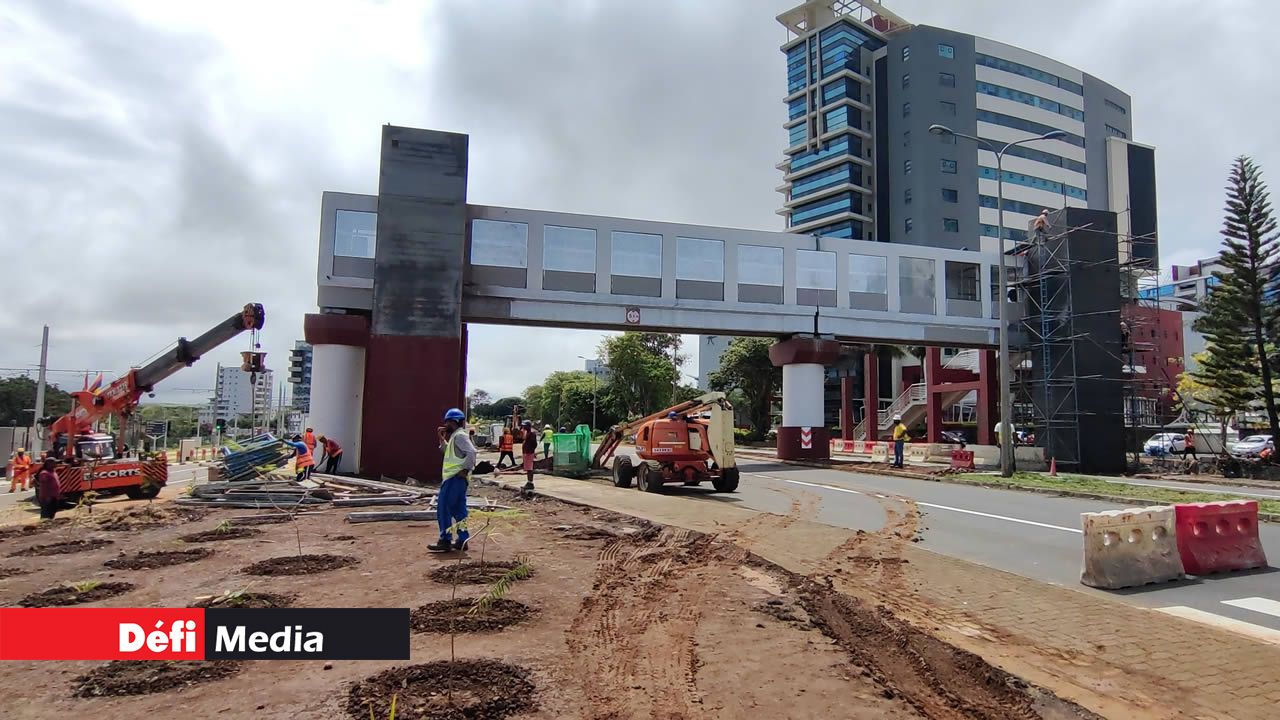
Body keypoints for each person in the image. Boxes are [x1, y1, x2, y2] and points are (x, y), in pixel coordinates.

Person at [430, 408, 476, 553]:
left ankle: (445, 540)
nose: (445, 424)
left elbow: (472, 452)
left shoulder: (459, 436)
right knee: (459, 510)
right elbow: (448, 453)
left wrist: (465, 469)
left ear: (454, 421)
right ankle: (463, 540)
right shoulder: (455, 436)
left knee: (444, 508)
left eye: (447, 422)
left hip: (454, 478)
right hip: (458, 479)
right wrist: (441, 439)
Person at [520, 419, 538, 491]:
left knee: (529, 468)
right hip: (526, 452)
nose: (523, 427)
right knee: (528, 468)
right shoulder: (527, 433)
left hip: (529, 453)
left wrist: (531, 451)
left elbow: (534, 444)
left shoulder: (532, 434)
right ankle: (529, 482)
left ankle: (530, 483)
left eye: (525, 426)